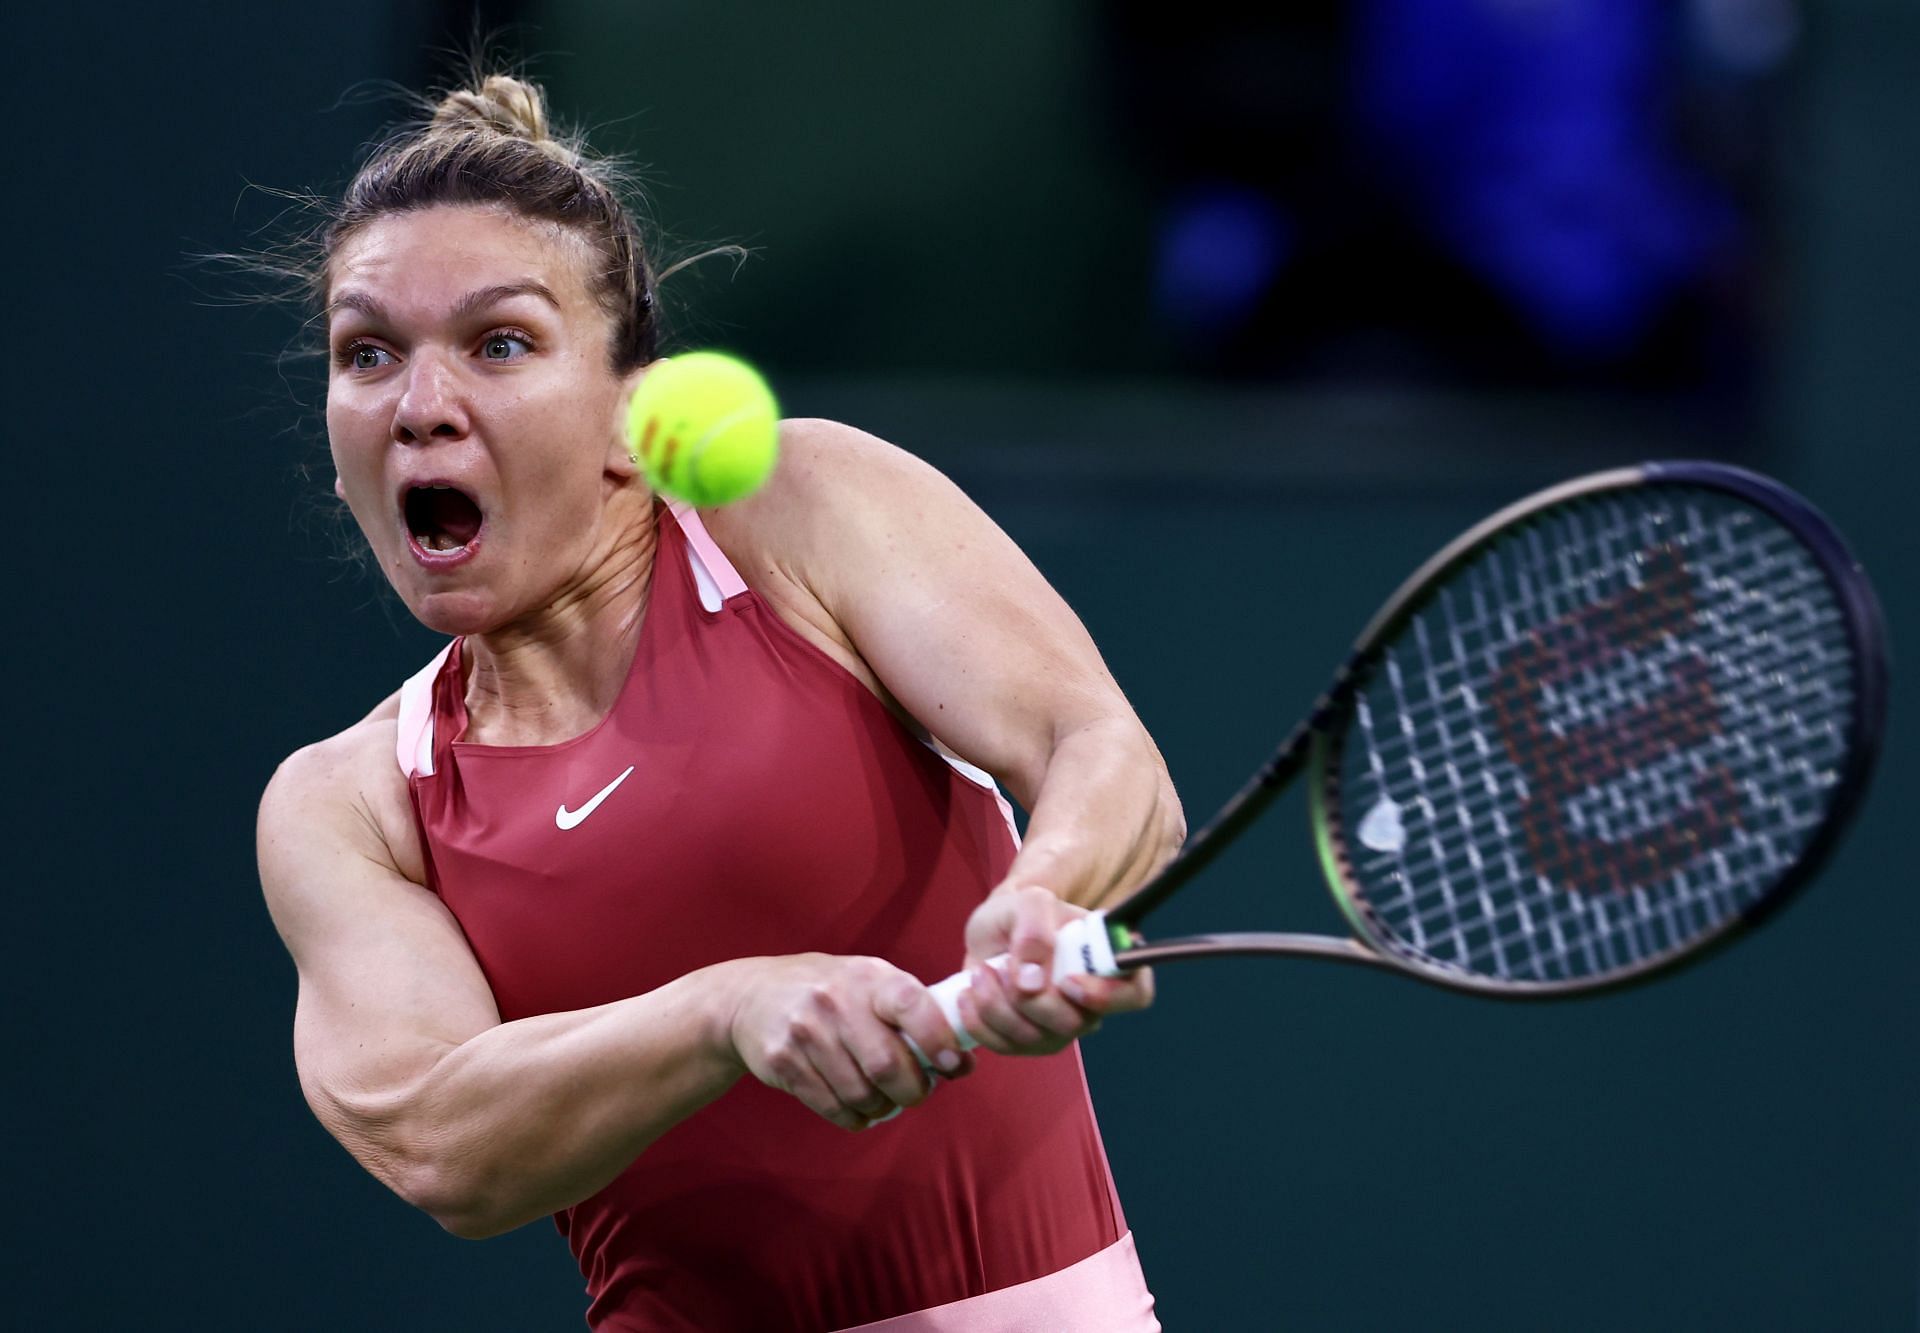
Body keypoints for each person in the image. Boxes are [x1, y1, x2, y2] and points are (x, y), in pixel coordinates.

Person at [256, 71, 1184, 1333]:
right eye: (368, 353)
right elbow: (440, 1141)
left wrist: (1037, 900)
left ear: (635, 414)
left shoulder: (801, 510)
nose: (422, 408)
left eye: (501, 344)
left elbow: (1097, 749)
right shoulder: (347, 802)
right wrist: (725, 1009)